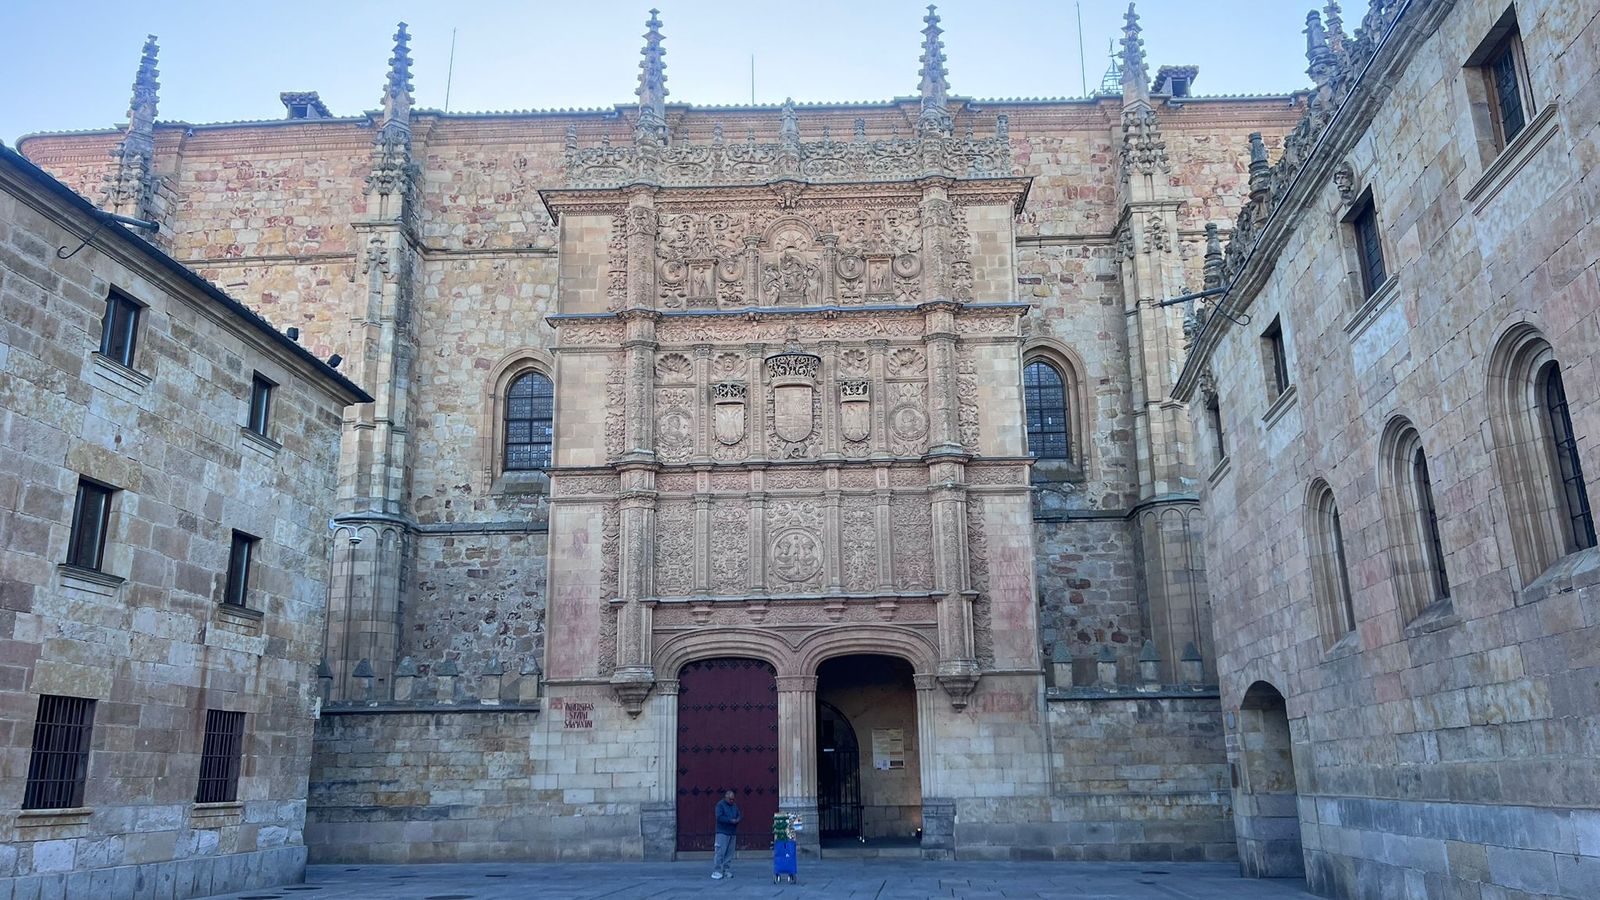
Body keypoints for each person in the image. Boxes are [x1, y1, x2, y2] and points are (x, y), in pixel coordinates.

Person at [711, 789, 741, 879]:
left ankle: (726, 870)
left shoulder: (734, 806)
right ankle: (716, 871)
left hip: (732, 832)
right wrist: (730, 820)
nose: (732, 801)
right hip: (722, 832)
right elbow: (719, 817)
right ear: (726, 797)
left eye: (733, 799)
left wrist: (737, 819)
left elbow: (738, 814)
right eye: (730, 799)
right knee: (720, 852)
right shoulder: (720, 805)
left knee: (729, 853)